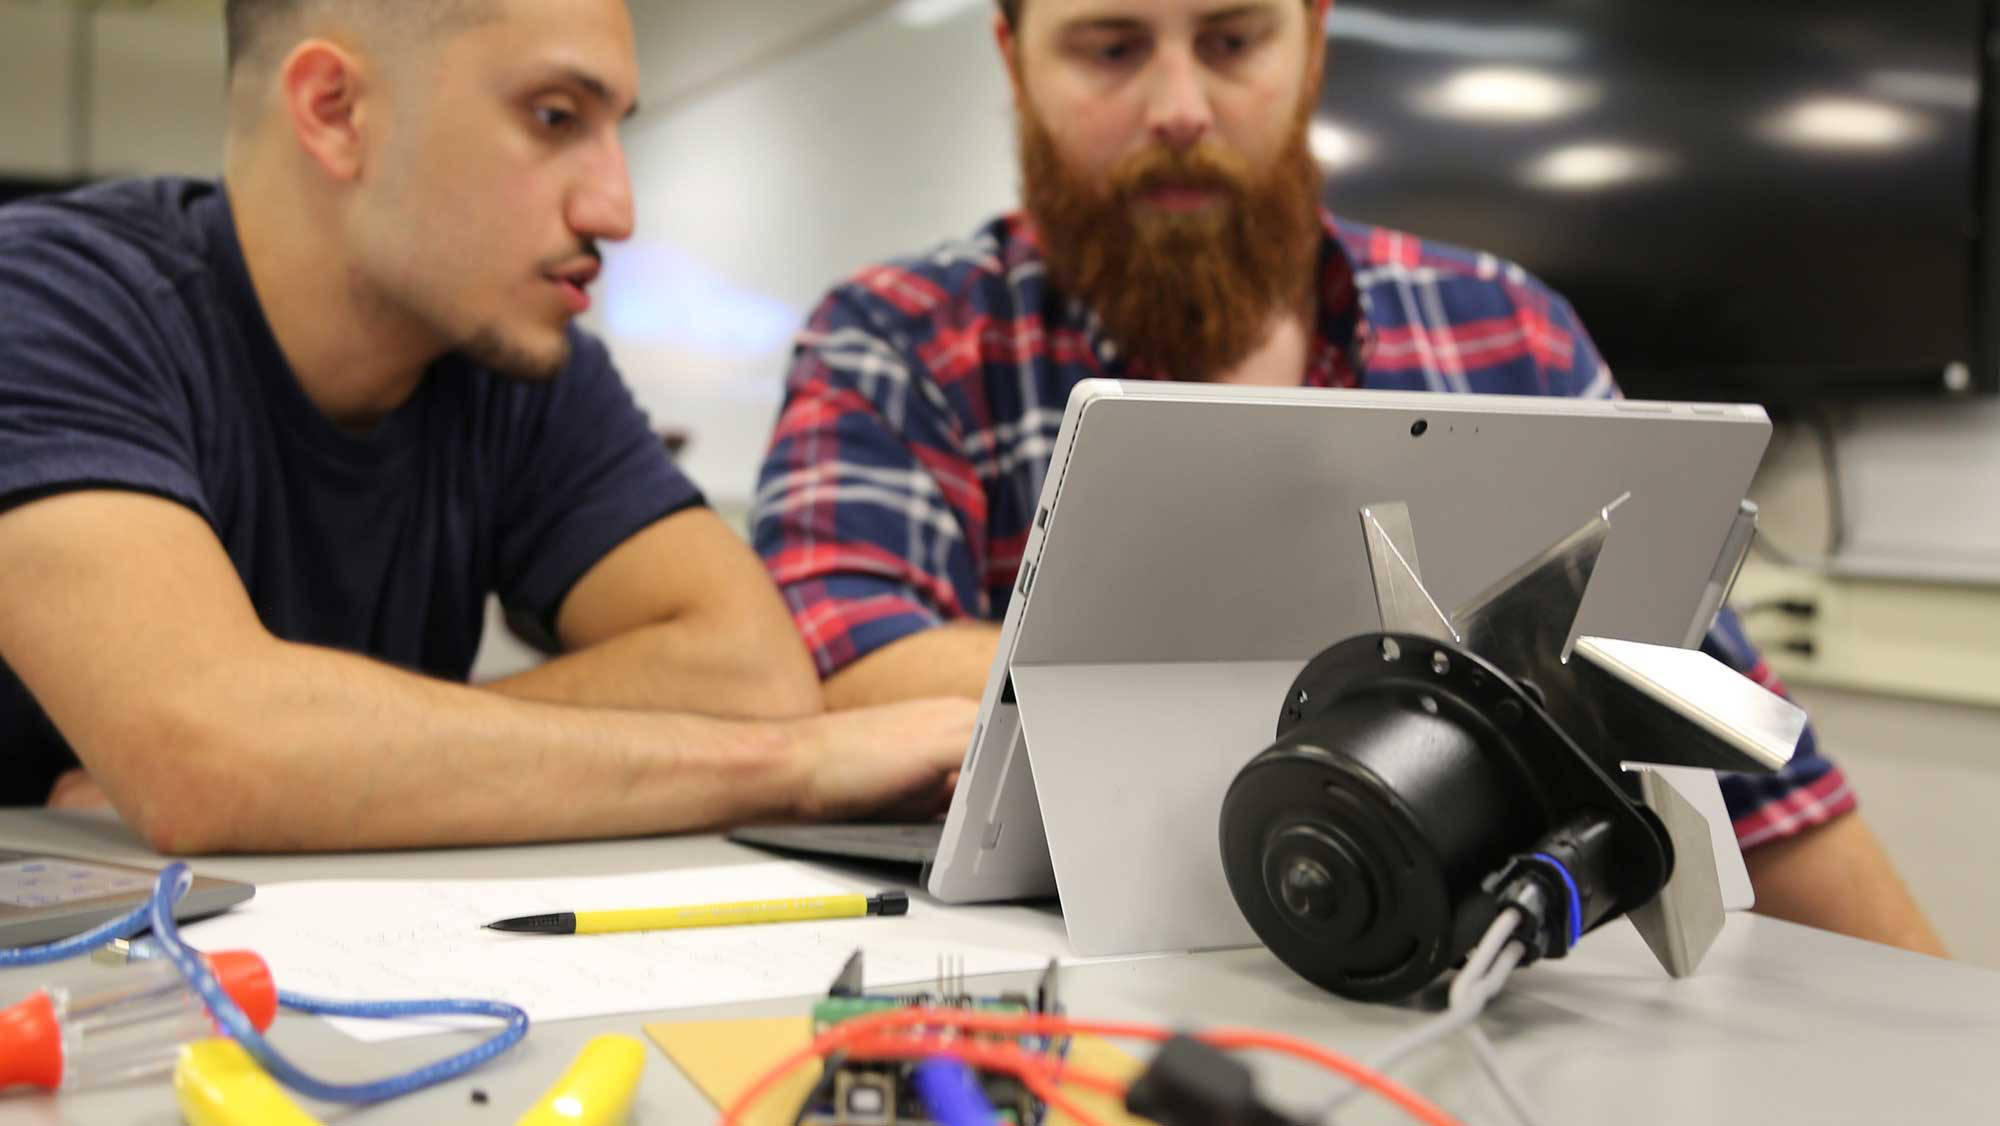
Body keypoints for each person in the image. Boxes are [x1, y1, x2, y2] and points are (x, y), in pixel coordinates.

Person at [752, 0, 1948, 955]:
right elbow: (842, 666)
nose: (1177, 106)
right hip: (1071, 994)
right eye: (1109, 48)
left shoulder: (1509, 334)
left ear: (1312, 37)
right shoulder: (899, 337)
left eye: (1232, 41)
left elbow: (1722, 736)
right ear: (1013, 61)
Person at [0, 0, 977, 854]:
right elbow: (211, 751)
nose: (617, 208)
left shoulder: (512, 358)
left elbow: (750, 673)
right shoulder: (48, 303)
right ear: (335, 111)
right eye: (554, 117)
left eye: (612, 130)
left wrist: (320, 764)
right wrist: (792, 768)